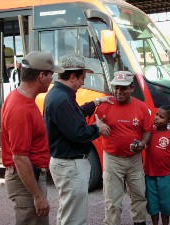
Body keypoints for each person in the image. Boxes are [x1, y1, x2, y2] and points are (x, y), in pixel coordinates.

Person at [44, 54, 111, 225]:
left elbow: (75, 115)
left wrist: (96, 102)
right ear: (72, 76)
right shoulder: (63, 98)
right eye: (82, 78)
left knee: (68, 212)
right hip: (70, 166)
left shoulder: (59, 94)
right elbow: (78, 133)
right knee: (74, 218)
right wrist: (99, 129)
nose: (83, 82)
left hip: (65, 164)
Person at [1, 51, 64, 225]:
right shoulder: (21, 108)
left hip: (28, 177)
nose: (53, 78)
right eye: (52, 74)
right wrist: (37, 195)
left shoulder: (20, 98)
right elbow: (20, 158)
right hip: (26, 180)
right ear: (42, 76)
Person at [95, 71, 153, 225]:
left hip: (134, 160)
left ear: (132, 88)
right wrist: (98, 125)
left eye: (123, 88)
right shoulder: (105, 106)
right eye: (116, 88)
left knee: (139, 197)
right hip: (112, 159)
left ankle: (140, 222)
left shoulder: (141, 107)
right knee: (112, 201)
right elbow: (93, 125)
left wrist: (142, 143)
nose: (119, 92)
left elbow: (148, 130)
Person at [144, 105, 170, 225]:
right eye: (156, 114)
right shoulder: (149, 133)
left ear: (169, 121)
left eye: (161, 117)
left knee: (166, 203)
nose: (156, 118)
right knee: (152, 203)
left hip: (165, 176)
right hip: (149, 175)